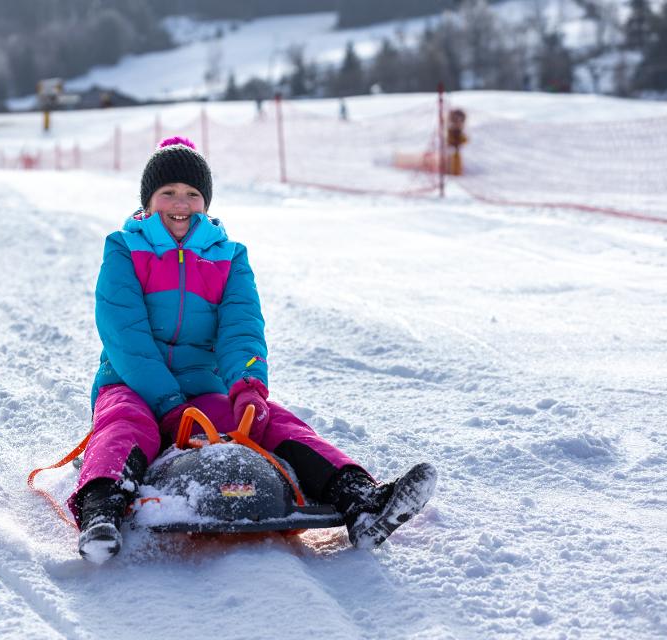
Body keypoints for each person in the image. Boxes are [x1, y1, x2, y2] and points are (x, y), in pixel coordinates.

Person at [72, 136, 436, 563]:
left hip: (201, 388)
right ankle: (101, 512)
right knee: (125, 422)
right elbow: (125, 335)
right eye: (167, 192)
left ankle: (360, 499)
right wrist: (167, 401)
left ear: (206, 203)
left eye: (192, 193)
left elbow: (241, 329)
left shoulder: (229, 257)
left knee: (271, 421)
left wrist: (247, 387)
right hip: (132, 381)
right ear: (148, 202)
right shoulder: (124, 248)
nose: (181, 203)